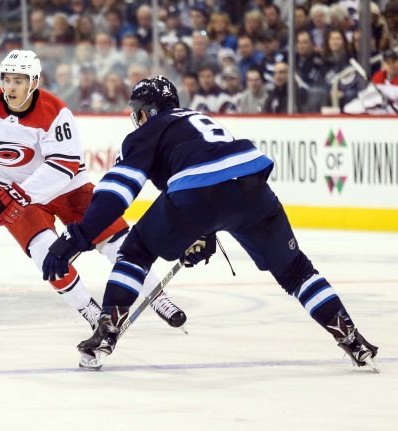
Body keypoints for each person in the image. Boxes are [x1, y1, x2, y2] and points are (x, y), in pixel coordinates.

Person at [41, 75, 379, 371]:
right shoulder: (199, 120)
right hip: (253, 187)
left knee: (135, 252)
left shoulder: (148, 131)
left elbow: (117, 193)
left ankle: (107, 333)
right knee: (296, 272)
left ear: (145, 112)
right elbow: (220, 178)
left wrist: (77, 237)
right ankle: (352, 339)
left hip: (198, 193)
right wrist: (202, 231)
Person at [0, 50, 188, 342]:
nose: (10, 87)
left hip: (68, 190)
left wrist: (21, 193)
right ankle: (92, 312)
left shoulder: (56, 112)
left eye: (19, 81)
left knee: (119, 244)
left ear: (33, 82)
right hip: (18, 197)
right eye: (7, 79)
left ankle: (158, 297)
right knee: (45, 255)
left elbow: (64, 167)